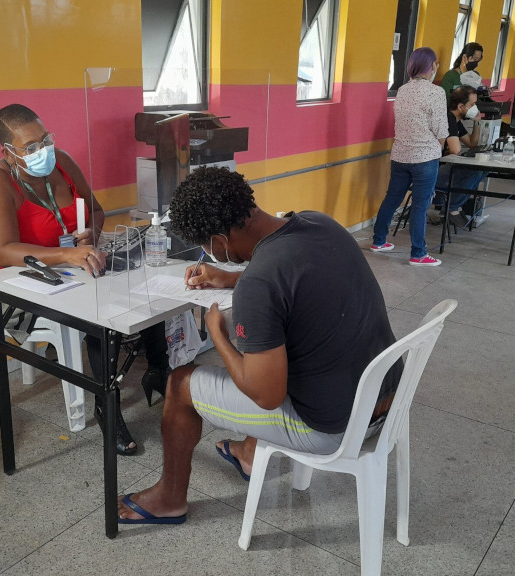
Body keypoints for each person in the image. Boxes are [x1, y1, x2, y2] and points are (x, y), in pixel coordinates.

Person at [115, 166, 402, 524]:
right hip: (387, 401)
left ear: (219, 241)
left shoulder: (260, 284)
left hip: (334, 428)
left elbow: (265, 395)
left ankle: (170, 498)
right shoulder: (319, 223)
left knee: (181, 382)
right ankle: (249, 454)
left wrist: (217, 334)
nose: (209, 254)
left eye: (207, 248)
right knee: (270, 347)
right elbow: (293, 275)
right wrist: (232, 277)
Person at [0, 103, 171, 455]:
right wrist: (67, 254)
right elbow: (3, 250)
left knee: (143, 284)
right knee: (102, 314)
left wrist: (89, 236)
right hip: (33, 279)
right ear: (8, 152)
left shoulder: (61, 161)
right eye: (31, 147)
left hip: (78, 262)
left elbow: (95, 210)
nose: (43, 151)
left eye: (45, 139)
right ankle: (105, 406)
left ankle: (158, 369)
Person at [371, 47, 448, 267]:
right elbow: (440, 127)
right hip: (425, 157)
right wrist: (439, 147)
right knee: (420, 205)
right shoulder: (436, 92)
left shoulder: (403, 90)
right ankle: (418, 253)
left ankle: (378, 241)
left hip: (400, 154)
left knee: (392, 198)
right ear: (432, 66)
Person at [439, 85, 487, 228]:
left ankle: (455, 206)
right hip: (433, 170)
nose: (475, 108)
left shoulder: (457, 121)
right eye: (472, 104)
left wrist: (477, 122)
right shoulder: (448, 118)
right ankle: (452, 207)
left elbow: (472, 143)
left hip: (443, 166)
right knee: (475, 170)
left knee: (484, 169)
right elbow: (455, 149)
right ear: (461, 106)